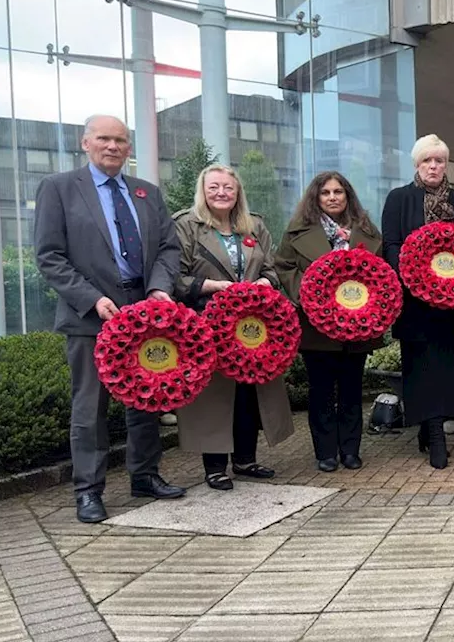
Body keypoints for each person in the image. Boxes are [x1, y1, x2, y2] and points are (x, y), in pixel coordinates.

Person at [33, 115, 185, 523]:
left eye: (120, 140)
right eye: (104, 138)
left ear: (129, 147)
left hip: (146, 313)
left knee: (148, 398)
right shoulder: (59, 189)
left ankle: (145, 476)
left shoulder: (147, 193)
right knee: (89, 408)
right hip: (90, 318)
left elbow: (170, 248)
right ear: (85, 143)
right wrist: (93, 298)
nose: (113, 146)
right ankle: (89, 491)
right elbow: (49, 256)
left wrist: (158, 289)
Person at [173, 164, 293, 489]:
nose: (222, 193)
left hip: (253, 326)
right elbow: (176, 277)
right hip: (208, 324)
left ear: (237, 191)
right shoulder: (186, 226)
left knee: (249, 392)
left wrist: (267, 285)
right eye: (214, 187)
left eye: (228, 187)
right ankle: (214, 467)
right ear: (203, 190)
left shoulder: (253, 225)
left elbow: (272, 268)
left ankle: (245, 460)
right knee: (215, 397)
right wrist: (214, 286)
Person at [275, 171, 384, 472]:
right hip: (317, 327)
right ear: (316, 197)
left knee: (351, 390)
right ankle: (325, 452)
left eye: (338, 192)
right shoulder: (297, 231)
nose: (333, 197)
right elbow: (282, 266)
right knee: (321, 390)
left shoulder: (366, 231)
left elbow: (382, 273)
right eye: (326, 193)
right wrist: (307, 294)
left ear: (347, 196)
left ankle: (350, 450)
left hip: (358, 326)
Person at [382, 134, 454, 469]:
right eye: (427, 161)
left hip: (452, 305)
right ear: (417, 165)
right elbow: (391, 244)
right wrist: (412, 280)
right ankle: (433, 432)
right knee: (420, 367)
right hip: (414, 304)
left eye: (439, 160)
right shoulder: (399, 199)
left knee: (446, 368)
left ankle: (433, 427)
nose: (434, 166)